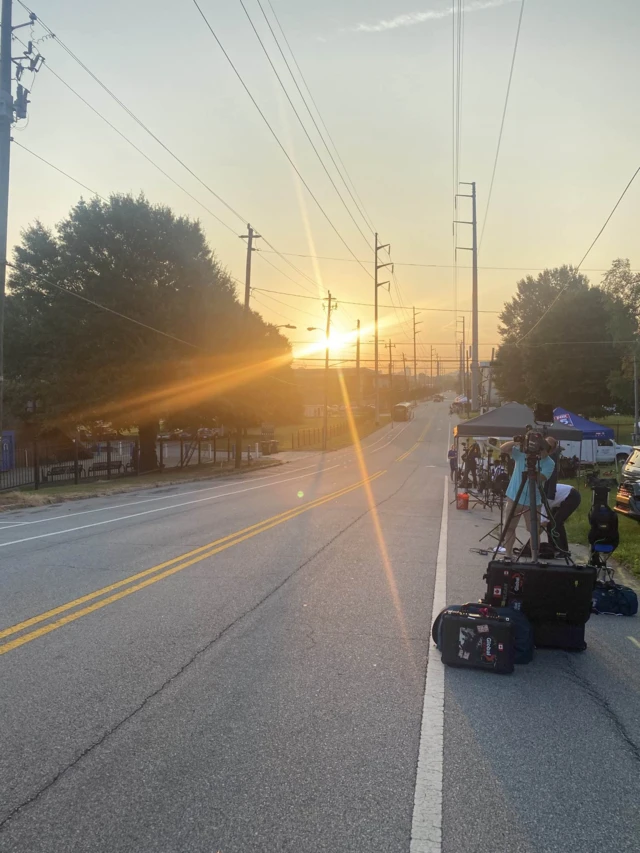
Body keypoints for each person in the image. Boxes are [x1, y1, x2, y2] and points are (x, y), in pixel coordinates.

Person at [499, 437, 556, 560]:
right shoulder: (523, 454)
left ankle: (534, 558)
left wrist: (533, 468)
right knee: (509, 527)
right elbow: (503, 448)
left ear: (551, 451)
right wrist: (518, 441)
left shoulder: (550, 463)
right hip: (514, 496)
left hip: (533, 501)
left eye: (546, 447)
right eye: (542, 444)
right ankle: (508, 555)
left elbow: (541, 478)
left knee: (534, 531)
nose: (542, 448)